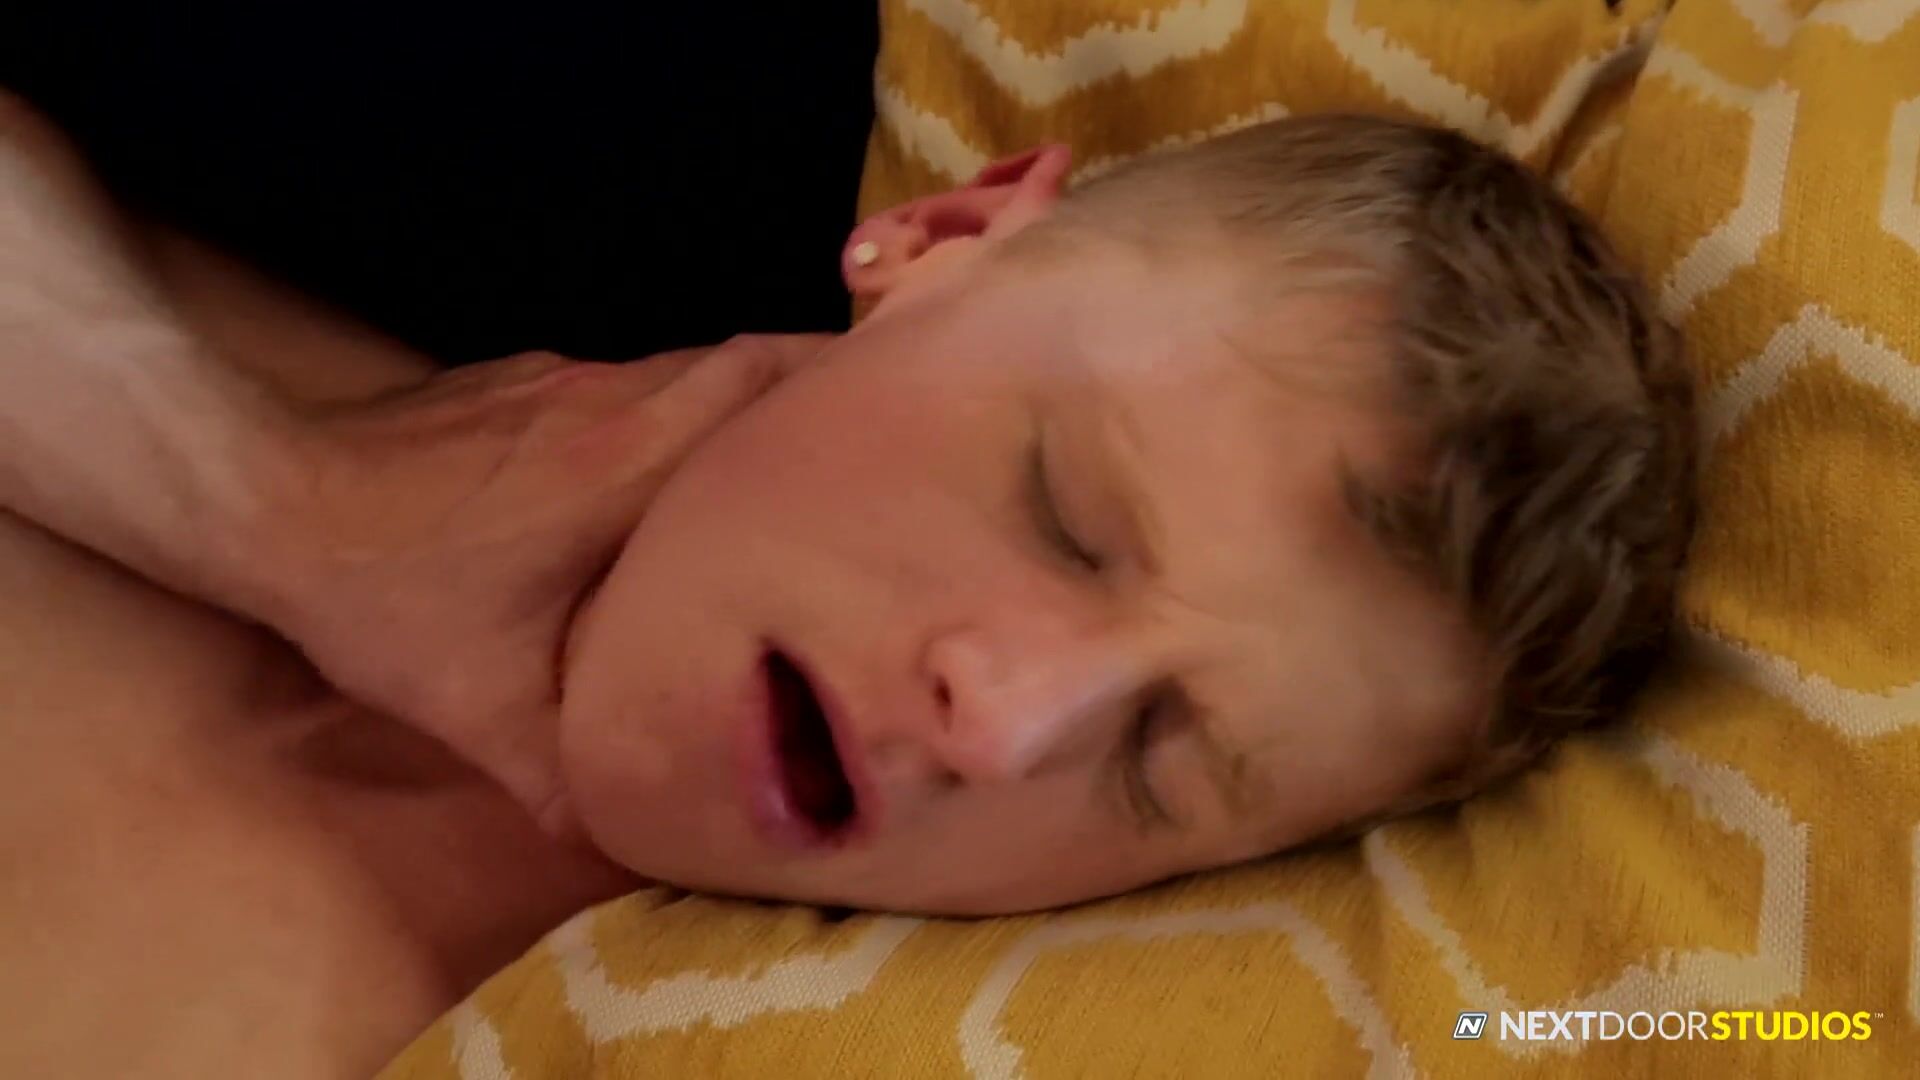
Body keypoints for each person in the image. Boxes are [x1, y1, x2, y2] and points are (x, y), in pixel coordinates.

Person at [0, 96, 1694, 1073]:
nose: (1005, 725)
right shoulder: (124, 334)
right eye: (1063, 515)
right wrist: (267, 503)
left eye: (1161, 764)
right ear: (939, 242)